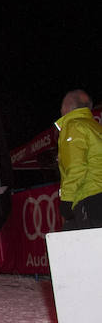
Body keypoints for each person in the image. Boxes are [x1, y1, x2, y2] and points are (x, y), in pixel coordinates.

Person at [56, 89, 102, 229]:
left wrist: (67, 200)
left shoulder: (73, 125)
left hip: (90, 196)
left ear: (65, 107)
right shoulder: (95, 126)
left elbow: (76, 167)